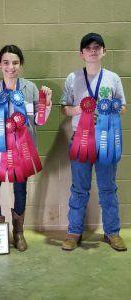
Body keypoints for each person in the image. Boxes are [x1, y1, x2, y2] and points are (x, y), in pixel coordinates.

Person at [0, 45, 52, 255]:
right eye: (6, 62)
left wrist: (47, 103)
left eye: (15, 63)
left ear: (21, 65)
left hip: (23, 153)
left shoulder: (31, 89)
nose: (11, 67)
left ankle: (18, 233)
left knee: (20, 190)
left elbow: (39, 121)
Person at [60, 32, 127, 251]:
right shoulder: (72, 78)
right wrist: (81, 108)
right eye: (88, 48)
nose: (93, 51)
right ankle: (74, 232)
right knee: (79, 189)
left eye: (97, 47)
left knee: (108, 188)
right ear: (81, 54)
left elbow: (123, 107)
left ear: (104, 51)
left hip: (106, 142)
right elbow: (65, 109)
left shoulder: (113, 78)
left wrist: (110, 108)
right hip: (80, 139)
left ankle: (112, 232)